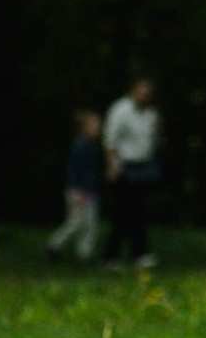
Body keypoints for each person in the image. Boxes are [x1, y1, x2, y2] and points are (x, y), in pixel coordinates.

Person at [100, 77, 163, 268]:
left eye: (148, 94)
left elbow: (155, 141)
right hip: (125, 167)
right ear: (133, 91)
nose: (145, 97)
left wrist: (159, 132)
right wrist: (112, 166)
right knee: (122, 212)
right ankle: (110, 256)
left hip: (144, 166)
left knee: (140, 212)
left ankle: (140, 254)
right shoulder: (120, 110)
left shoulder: (151, 113)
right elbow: (110, 140)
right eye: (142, 92)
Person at [48, 110, 104, 263]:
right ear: (84, 128)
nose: (98, 128)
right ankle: (54, 245)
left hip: (91, 191)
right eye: (94, 125)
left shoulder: (93, 147)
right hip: (79, 191)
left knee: (91, 224)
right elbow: (74, 170)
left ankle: (85, 254)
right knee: (76, 222)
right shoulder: (79, 147)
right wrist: (76, 191)